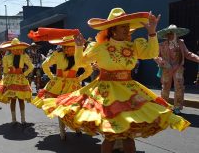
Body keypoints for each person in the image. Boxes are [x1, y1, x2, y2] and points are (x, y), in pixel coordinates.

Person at [41, 8, 190, 153]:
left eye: (127, 26)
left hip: (129, 92)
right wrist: (79, 47)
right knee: (110, 137)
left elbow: (151, 53)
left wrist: (152, 32)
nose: (127, 29)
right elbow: (81, 63)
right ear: (113, 29)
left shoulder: (133, 46)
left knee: (128, 137)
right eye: (123, 26)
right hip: (106, 94)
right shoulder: (100, 47)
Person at [31, 36, 92, 140]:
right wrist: (52, 77)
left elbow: (89, 70)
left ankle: (75, 127)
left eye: (69, 47)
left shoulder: (79, 56)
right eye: (65, 47)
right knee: (59, 107)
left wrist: (79, 78)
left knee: (74, 108)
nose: (67, 49)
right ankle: (62, 131)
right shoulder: (57, 54)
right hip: (58, 85)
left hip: (72, 85)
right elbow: (45, 65)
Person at [154, 25, 199, 114]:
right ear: (166, 35)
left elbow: (188, 54)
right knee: (165, 87)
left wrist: (198, 58)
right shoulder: (162, 45)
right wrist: (163, 63)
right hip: (167, 69)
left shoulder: (181, 44)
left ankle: (177, 107)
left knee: (179, 87)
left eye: (173, 33)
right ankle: (164, 106)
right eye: (170, 33)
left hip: (178, 68)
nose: (171, 35)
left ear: (176, 34)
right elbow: (155, 56)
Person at [0, 38, 34, 125]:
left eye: (18, 48)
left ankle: (23, 119)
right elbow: (5, 70)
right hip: (10, 80)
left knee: (21, 99)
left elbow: (31, 66)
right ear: (11, 49)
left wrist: (24, 74)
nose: (16, 50)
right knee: (13, 100)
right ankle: (13, 119)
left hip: (21, 80)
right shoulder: (6, 57)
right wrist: (6, 77)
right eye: (14, 48)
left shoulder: (24, 56)